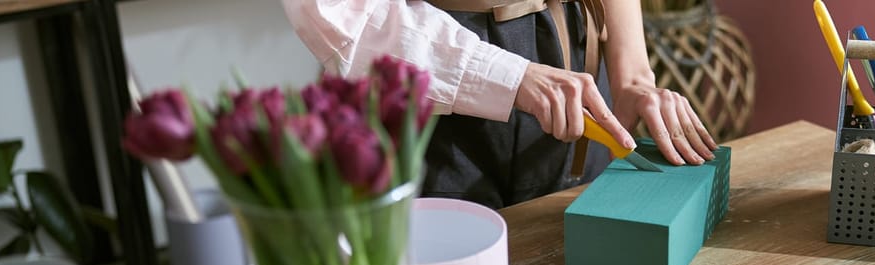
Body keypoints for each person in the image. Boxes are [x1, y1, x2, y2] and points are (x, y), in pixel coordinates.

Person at [281, 0, 717, 209]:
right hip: (427, 78)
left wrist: (633, 77)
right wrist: (511, 77)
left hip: (574, 64)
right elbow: (334, 11)